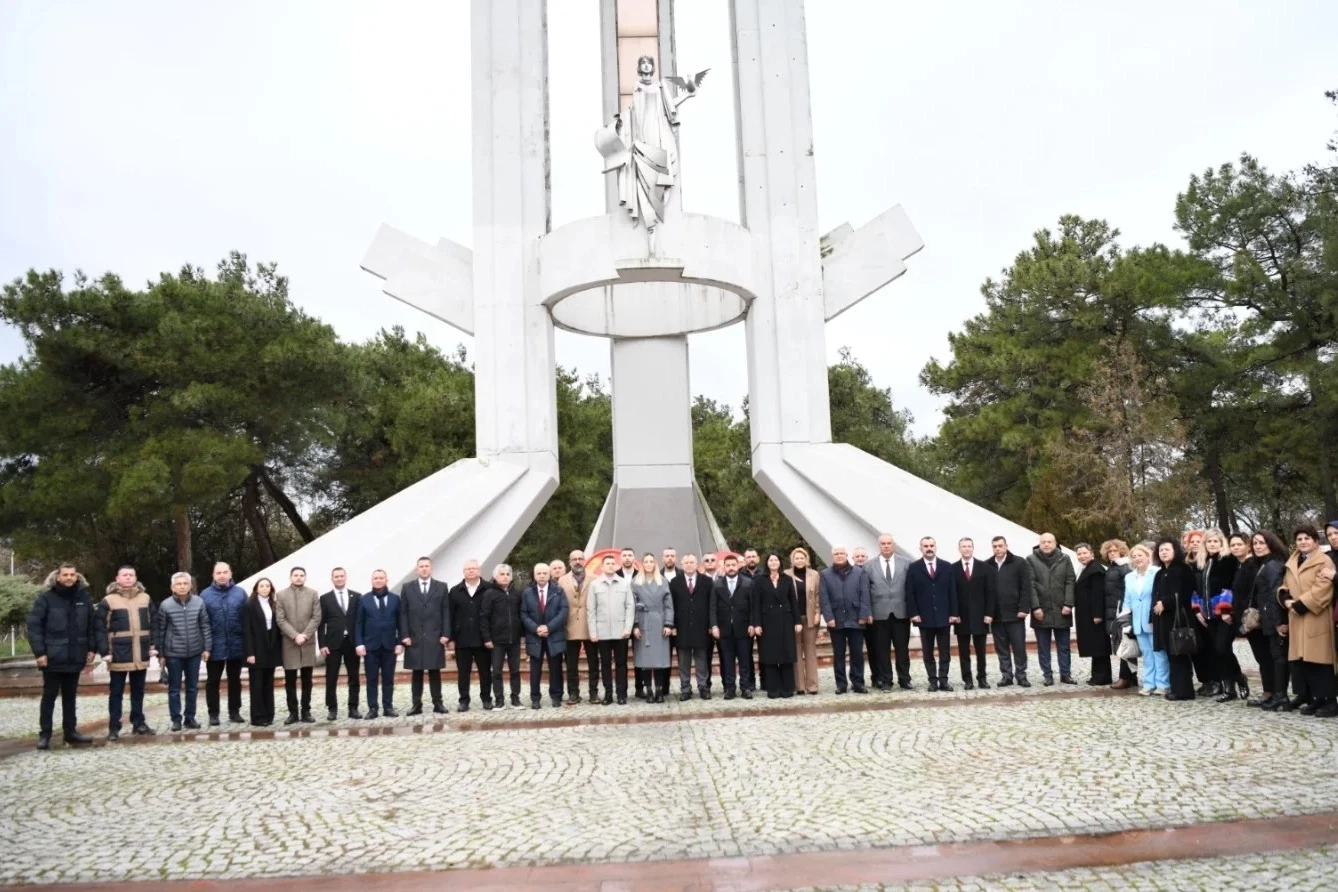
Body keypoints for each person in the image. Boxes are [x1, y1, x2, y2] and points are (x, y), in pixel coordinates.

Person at [28, 564, 97, 750]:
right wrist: (40, 653)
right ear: (57, 577)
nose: (69, 578)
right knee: (49, 697)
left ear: (77, 577)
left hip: (76, 656)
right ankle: (45, 734)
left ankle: (70, 731)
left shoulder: (84, 598)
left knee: (70, 697)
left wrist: (92, 649)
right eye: (65, 574)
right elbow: (34, 627)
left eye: (72, 575)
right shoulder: (46, 598)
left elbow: (91, 626)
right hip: (52, 657)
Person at [96, 565, 156, 740]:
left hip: (141, 652)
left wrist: (154, 645)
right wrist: (104, 651)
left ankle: (139, 723)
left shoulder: (145, 598)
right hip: (118, 654)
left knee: (139, 691)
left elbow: (154, 624)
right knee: (116, 692)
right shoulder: (109, 600)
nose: (128, 578)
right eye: (125, 575)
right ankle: (114, 727)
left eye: (131, 575)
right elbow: (100, 628)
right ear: (117, 578)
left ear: (136, 578)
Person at [1280, 527, 1336, 716]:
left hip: (1316, 615)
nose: (1303, 542)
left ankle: (1329, 700)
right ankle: (1314, 698)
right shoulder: (1292, 561)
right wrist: (1285, 598)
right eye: (1299, 539)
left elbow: (1324, 588)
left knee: (1320, 659)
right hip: (1295, 616)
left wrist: (1301, 604)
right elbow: (1284, 585)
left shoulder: (1324, 560)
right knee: (1302, 660)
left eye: (1307, 538)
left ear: (1315, 541)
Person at [154, 571, 212, 732]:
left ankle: (190, 718)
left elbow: (205, 626)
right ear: (172, 587)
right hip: (173, 654)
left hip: (194, 652)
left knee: (192, 687)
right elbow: (161, 630)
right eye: (178, 584)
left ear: (190, 586)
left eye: (185, 583)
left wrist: (207, 648)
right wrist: (161, 654)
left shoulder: (199, 602)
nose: (182, 586)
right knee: (174, 688)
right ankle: (176, 719)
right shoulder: (165, 605)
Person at [398, 556, 451, 716]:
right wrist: (404, 634)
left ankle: (438, 703)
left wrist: (446, 634)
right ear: (417, 569)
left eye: (427, 566)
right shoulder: (407, 588)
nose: (424, 569)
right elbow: (403, 614)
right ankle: (416, 704)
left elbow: (446, 612)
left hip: (435, 636)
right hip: (414, 637)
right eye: (421, 566)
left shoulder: (441, 587)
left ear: (431, 568)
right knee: (417, 672)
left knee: (435, 671)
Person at [907, 537, 959, 692]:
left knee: (945, 652)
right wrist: (914, 613)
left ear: (936, 547)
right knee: (928, 652)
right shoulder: (914, 568)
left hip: (944, 616)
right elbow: (910, 593)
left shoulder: (946, 566)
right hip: (924, 617)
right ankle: (932, 681)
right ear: (920, 548)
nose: (929, 548)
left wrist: (954, 613)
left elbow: (952, 591)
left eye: (931, 545)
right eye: (925, 546)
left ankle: (944, 680)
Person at [200, 562, 247, 727]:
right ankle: (213, 714)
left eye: (225, 572)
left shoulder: (240, 593)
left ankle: (234, 712)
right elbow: (202, 622)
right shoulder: (205, 595)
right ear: (213, 575)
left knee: (235, 680)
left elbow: (245, 619)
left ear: (230, 573)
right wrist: (205, 646)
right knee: (213, 681)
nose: (222, 575)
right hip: (214, 645)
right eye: (218, 572)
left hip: (236, 644)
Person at [820, 545, 872, 694]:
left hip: (856, 618)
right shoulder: (825, 574)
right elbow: (824, 598)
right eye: (836, 553)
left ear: (847, 555)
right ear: (833, 556)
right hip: (836, 619)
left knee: (857, 653)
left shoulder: (859, 572)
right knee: (839, 654)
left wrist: (863, 615)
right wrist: (828, 617)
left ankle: (858, 683)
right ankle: (841, 684)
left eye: (842, 553)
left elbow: (865, 595)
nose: (839, 555)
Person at [1190, 530, 1235, 698]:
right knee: (1217, 650)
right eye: (1209, 542)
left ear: (1221, 543)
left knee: (1223, 648)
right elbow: (1195, 590)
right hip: (1206, 615)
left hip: (1222, 613)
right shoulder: (1201, 563)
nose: (1213, 544)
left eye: (1216, 541)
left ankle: (1230, 684)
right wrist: (1197, 610)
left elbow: (1229, 587)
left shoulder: (1227, 561)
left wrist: (1224, 610)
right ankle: (1230, 681)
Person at [1152, 537, 1197, 701]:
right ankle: (1176, 688)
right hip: (1163, 619)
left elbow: (1185, 593)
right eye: (1161, 550)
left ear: (1175, 551)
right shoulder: (1160, 572)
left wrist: (1166, 603)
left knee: (1180, 654)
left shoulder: (1182, 569)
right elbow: (1154, 595)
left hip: (1178, 618)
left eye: (1167, 549)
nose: (1163, 552)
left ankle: (1183, 691)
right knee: (1171, 655)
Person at [1028, 533, 1076, 685]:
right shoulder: (1030, 559)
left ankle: (1065, 674)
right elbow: (1030, 584)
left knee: (1064, 646)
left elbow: (1070, 581)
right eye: (1043, 542)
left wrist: (1069, 603)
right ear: (1039, 544)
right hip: (1041, 611)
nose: (1046, 544)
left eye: (1049, 542)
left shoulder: (1065, 558)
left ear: (1055, 543)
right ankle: (1047, 675)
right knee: (1043, 647)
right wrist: (1035, 607)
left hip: (1062, 610)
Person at [1249, 532, 1289, 710]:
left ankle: (1281, 697)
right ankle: (1277, 694)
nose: (1257, 546)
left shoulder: (1272, 565)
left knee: (1279, 657)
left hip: (1276, 620)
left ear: (1271, 544)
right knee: (1275, 657)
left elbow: (1275, 594)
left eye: (1261, 543)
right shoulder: (1264, 564)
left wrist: (1277, 622)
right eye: (1255, 543)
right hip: (1269, 619)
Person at [275, 566, 321, 724]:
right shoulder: (281, 595)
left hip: (307, 643)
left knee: (307, 680)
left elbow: (316, 617)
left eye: (302, 575)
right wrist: (295, 635)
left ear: (305, 577)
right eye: (296, 575)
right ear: (290, 577)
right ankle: (293, 713)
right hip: (290, 643)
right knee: (290, 681)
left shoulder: (313, 594)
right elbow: (280, 619)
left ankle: (306, 711)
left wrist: (305, 635)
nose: (299, 578)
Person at [354, 570, 402, 718]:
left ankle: (388, 707)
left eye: (381, 578)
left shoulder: (395, 599)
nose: (378, 580)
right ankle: (373, 708)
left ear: (386, 579)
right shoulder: (364, 599)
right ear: (371, 580)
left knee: (388, 678)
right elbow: (359, 623)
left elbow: (401, 623)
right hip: (371, 646)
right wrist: (359, 643)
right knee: (371, 679)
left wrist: (400, 642)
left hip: (389, 645)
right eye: (376, 578)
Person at [588, 554, 635, 704]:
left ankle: (621, 694)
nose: (610, 565)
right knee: (606, 665)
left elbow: (630, 607)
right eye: (607, 563)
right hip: (602, 633)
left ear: (616, 566)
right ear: (602, 567)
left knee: (621, 664)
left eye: (612, 563)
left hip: (620, 631)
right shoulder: (595, 585)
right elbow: (591, 610)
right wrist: (593, 632)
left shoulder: (624, 584)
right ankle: (608, 694)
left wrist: (628, 628)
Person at [753, 552, 801, 698]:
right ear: (767, 563)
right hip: (767, 621)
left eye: (776, 560)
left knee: (787, 654)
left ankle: (787, 688)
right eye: (771, 560)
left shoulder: (787, 579)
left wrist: (797, 621)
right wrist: (756, 624)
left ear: (780, 562)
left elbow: (793, 601)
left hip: (785, 620)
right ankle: (773, 688)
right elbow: (756, 604)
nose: (773, 562)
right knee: (770, 655)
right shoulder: (760, 580)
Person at [318, 567, 362, 721]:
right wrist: (322, 644)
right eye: (336, 576)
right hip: (332, 644)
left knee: (354, 676)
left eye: (341, 576)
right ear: (332, 579)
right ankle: (332, 708)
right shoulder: (325, 598)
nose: (339, 578)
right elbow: (321, 623)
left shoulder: (356, 596)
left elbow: (360, 621)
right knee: (331, 677)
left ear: (346, 577)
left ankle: (353, 707)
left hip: (352, 642)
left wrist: (360, 642)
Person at [868, 534, 911, 691]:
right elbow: (866, 592)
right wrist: (868, 613)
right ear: (879, 546)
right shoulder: (869, 566)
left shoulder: (906, 563)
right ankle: (886, 680)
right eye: (883, 544)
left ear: (894, 545)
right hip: (879, 615)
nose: (886, 546)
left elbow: (910, 589)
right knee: (882, 650)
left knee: (902, 650)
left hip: (901, 613)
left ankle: (905, 679)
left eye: (889, 543)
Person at [988, 536, 1033, 687]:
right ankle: (1006, 675)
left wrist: (1024, 609)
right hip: (996, 616)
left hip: (1015, 614)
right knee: (1001, 648)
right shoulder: (988, 565)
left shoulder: (1019, 563)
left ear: (1006, 546)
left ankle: (1021, 675)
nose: (997, 549)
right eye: (995, 546)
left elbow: (1026, 587)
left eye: (1000, 545)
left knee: (1019, 647)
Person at [1213, 533, 1253, 703]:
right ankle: (1232, 684)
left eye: (1239, 544)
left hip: (1239, 614)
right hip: (1225, 612)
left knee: (1222, 648)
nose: (1236, 547)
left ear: (1247, 545)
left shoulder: (1251, 564)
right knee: (1221, 649)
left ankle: (1238, 679)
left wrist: (1227, 610)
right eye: (1233, 545)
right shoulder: (1231, 563)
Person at [522, 562, 568, 708]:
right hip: (535, 636)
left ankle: (556, 696)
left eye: (544, 573)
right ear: (534, 575)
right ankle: (535, 698)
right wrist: (536, 628)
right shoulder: (527, 592)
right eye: (539, 573)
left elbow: (563, 611)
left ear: (549, 575)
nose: (542, 576)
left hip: (554, 635)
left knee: (556, 668)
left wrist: (549, 627)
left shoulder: (558, 591)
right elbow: (523, 614)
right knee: (535, 669)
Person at [448, 560, 491, 712]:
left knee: (485, 671)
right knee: (463, 672)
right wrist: (451, 638)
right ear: (463, 572)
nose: (471, 571)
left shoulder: (489, 589)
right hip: (462, 638)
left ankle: (486, 699)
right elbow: (450, 616)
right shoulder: (455, 591)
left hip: (483, 639)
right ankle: (464, 700)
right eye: (468, 569)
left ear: (479, 571)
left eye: (474, 568)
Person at [952, 538, 995, 689]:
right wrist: (954, 614)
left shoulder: (984, 567)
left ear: (973, 548)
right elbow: (952, 594)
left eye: (969, 546)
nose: (966, 549)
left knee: (981, 651)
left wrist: (989, 613)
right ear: (959, 549)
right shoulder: (953, 568)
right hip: (961, 617)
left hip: (980, 616)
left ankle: (982, 678)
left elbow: (990, 593)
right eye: (963, 546)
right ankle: (967, 679)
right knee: (964, 651)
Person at [669, 553, 713, 700]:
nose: (689, 565)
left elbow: (711, 605)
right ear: (682, 564)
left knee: (702, 659)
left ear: (697, 564)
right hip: (682, 628)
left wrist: (711, 625)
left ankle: (703, 687)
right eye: (686, 562)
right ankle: (685, 688)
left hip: (702, 627)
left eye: (691, 562)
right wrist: (673, 625)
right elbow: (672, 606)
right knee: (683, 661)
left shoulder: (706, 581)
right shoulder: (675, 582)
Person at [710, 555, 755, 700]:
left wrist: (752, 624)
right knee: (727, 661)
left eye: (733, 565)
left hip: (743, 628)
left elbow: (753, 607)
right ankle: (730, 688)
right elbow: (712, 607)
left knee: (745, 660)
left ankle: (745, 687)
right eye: (728, 565)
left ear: (738, 566)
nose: (730, 568)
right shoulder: (717, 584)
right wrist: (714, 625)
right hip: (724, 630)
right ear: (724, 566)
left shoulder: (748, 583)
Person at [631, 553, 675, 702]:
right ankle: (648, 690)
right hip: (643, 622)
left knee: (659, 660)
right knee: (645, 661)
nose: (649, 564)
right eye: (646, 561)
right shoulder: (636, 582)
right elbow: (632, 606)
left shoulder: (662, 581)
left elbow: (669, 605)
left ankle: (659, 690)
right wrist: (635, 625)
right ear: (642, 564)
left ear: (655, 563)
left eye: (651, 561)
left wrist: (668, 624)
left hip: (659, 622)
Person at [1124, 543, 1166, 696]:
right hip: (1137, 621)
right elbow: (1127, 599)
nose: (1137, 559)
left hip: (1154, 618)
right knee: (1147, 654)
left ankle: (1162, 683)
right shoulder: (1129, 577)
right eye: (1134, 556)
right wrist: (1124, 619)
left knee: (1159, 652)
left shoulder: (1157, 573)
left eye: (1140, 555)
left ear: (1148, 556)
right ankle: (1149, 683)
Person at [481, 564, 524, 709]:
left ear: (511, 577)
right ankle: (499, 699)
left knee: (515, 670)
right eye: (502, 574)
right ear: (496, 577)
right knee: (497, 671)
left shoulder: (517, 594)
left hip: (514, 640)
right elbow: (484, 617)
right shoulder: (489, 594)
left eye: (507, 574)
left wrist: (522, 634)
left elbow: (521, 615)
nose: (505, 577)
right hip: (496, 641)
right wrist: (487, 638)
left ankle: (515, 698)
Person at [241, 578, 283, 727]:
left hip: (270, 649)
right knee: (257, 685)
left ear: (271, 589)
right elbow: (247, 631)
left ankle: (269, 715)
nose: (265, 588)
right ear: (256, 588)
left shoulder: (274, 604)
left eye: (267, 586)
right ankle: (258, 717)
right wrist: (250, 653)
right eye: (262, 586)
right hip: (256, 650)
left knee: (268, 684)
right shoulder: (249, 605)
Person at [558, 551, 596, 705]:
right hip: (570, 626)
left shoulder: (594, 579)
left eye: (580, 558)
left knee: (594, 663)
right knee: (571, 664)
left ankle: (594, 693)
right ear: (569, 562)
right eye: (574, 559)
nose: (578, 561)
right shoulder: (561, 580)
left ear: (585, 560)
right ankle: (573, 693)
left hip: (590, 626)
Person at [1073, 543, 1112, 686]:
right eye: (1079, 554)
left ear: (1092, 554)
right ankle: (1097, 675)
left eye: (1084, 553)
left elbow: (1098, 594)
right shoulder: (1085, 569)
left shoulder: (1095, 570)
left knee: (1099, 646)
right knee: (1095, 646)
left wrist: (1098, 614)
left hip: (1094, 615)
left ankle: (1102, 676)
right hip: (1086, 614)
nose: (1082, 556)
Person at [786, 547, 822, 695]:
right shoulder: (786, 575)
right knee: (796, 650)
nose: (799, 560)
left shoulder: (814, 575)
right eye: (796, 558)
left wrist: (818, 612)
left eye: (802, 558)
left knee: (810, 650)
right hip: (793, 619)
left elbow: (819, 595)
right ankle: (799, 685)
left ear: (806, 559)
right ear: (792, 560)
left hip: (810, 616)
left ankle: (812, 686)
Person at [1103, 540, 1136, 690]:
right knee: (1123, 643)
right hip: (1114, 610)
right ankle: (1132, 677)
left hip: (1122, 610)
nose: (1112, 553)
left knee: (1125, 644)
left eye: (1115, 551)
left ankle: (1125, 677)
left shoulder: (1124, 566)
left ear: (1122, 551)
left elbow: (1128, 590)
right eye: (1109, 551)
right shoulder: (1113, 567)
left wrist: (1123, 609)